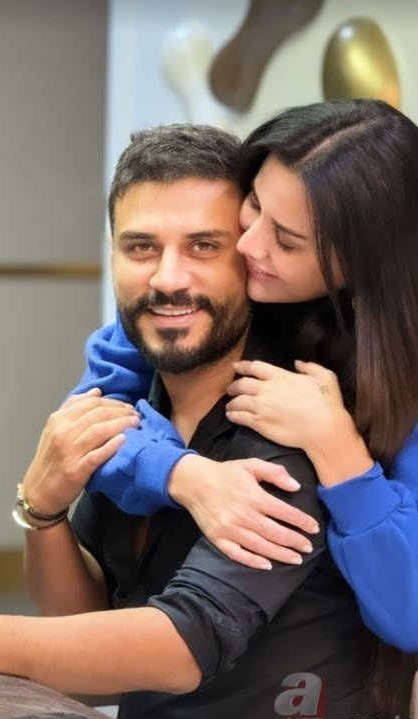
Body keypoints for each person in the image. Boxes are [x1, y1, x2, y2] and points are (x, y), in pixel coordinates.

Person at [0, 123, 377, 719]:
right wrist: (42, 511)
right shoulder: (135, 406)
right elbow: (85, 636)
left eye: (203, 246)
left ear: (251, 258)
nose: (167, 279)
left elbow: (185, 644)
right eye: (140, 247)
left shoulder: (293, 422)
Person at [71, 100, 418, 660]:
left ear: (361, 265)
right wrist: (179, 473)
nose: (247, 244)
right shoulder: (208, 298)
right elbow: (89, 415)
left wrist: (338, 451)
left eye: (287, 239)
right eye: (253, 205)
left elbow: (411, 614)